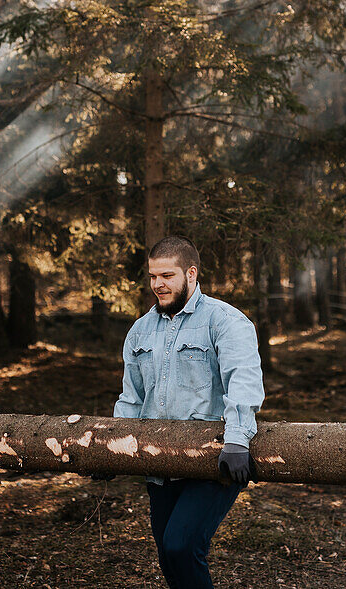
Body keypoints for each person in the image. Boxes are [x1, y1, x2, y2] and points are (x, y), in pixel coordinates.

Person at [112, 235, 265, 589]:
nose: (157, 285)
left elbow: (242, 379)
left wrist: (238, 440)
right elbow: (131, 399)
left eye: (167, 276)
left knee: (182, 547)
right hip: (159, 467)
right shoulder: (140, 331)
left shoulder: (225, 321)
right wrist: (111, 451)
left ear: (191, 274)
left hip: (215, 463)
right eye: (153, 277)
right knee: (168, 555)